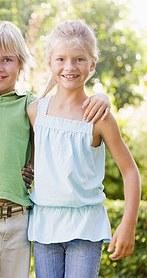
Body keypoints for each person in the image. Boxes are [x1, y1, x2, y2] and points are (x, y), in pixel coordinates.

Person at [0, 21, 111, 278]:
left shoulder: (31, 105)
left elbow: (52, 138)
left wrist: (101, 97)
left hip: (19, 218)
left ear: (20, 63)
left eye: (7, 59)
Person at [27, 20, 141, 278]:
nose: (69, 67)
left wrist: (128, 224)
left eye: (79, 59)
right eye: (61, 59)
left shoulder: (99, 117)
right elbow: (33, 160)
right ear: (50, 63)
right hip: (45, 227)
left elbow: (130, 171)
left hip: (85, 227)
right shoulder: (35, 111)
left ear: (92, 63)